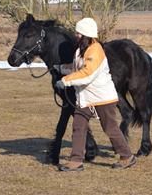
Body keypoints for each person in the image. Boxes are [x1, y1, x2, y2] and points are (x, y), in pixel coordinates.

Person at [54, 17, 136, 172]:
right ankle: (76, 161)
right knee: (78, 126)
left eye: (79, 33)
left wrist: (65, 81)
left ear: (86, 34)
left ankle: (127, 156)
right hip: (86, 97)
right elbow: (76, 68)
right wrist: (60, 68)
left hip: (102, 98)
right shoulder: (81, 50)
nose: (76, 35)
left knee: (110, 128)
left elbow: (87, 73)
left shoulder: (95, 50)